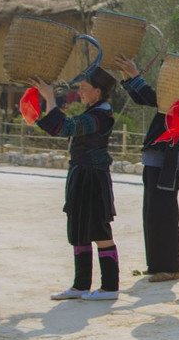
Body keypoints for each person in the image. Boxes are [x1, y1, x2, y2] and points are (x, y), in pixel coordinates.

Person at [32, 68, 123, 301]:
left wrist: (49, 97)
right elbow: (60, 127)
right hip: (81, 175)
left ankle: (110, 287)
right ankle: (80, 285)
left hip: (94, 177)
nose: (79, 91)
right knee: (79, 229)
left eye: (83, 87)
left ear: (97, 92)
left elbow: (66, 127)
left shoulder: (101, 115)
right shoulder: (93, 111)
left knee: (99, 230)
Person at [117, 55, 179, 283]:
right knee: (152, 215)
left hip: (166, 166)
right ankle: (156, 264)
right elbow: (143, 98)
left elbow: (149, 97)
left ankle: (171, 267)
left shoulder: (178, 99)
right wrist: (127, 76)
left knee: (165, 216)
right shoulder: (168, 98)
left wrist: (134, 74)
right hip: (155, 163)